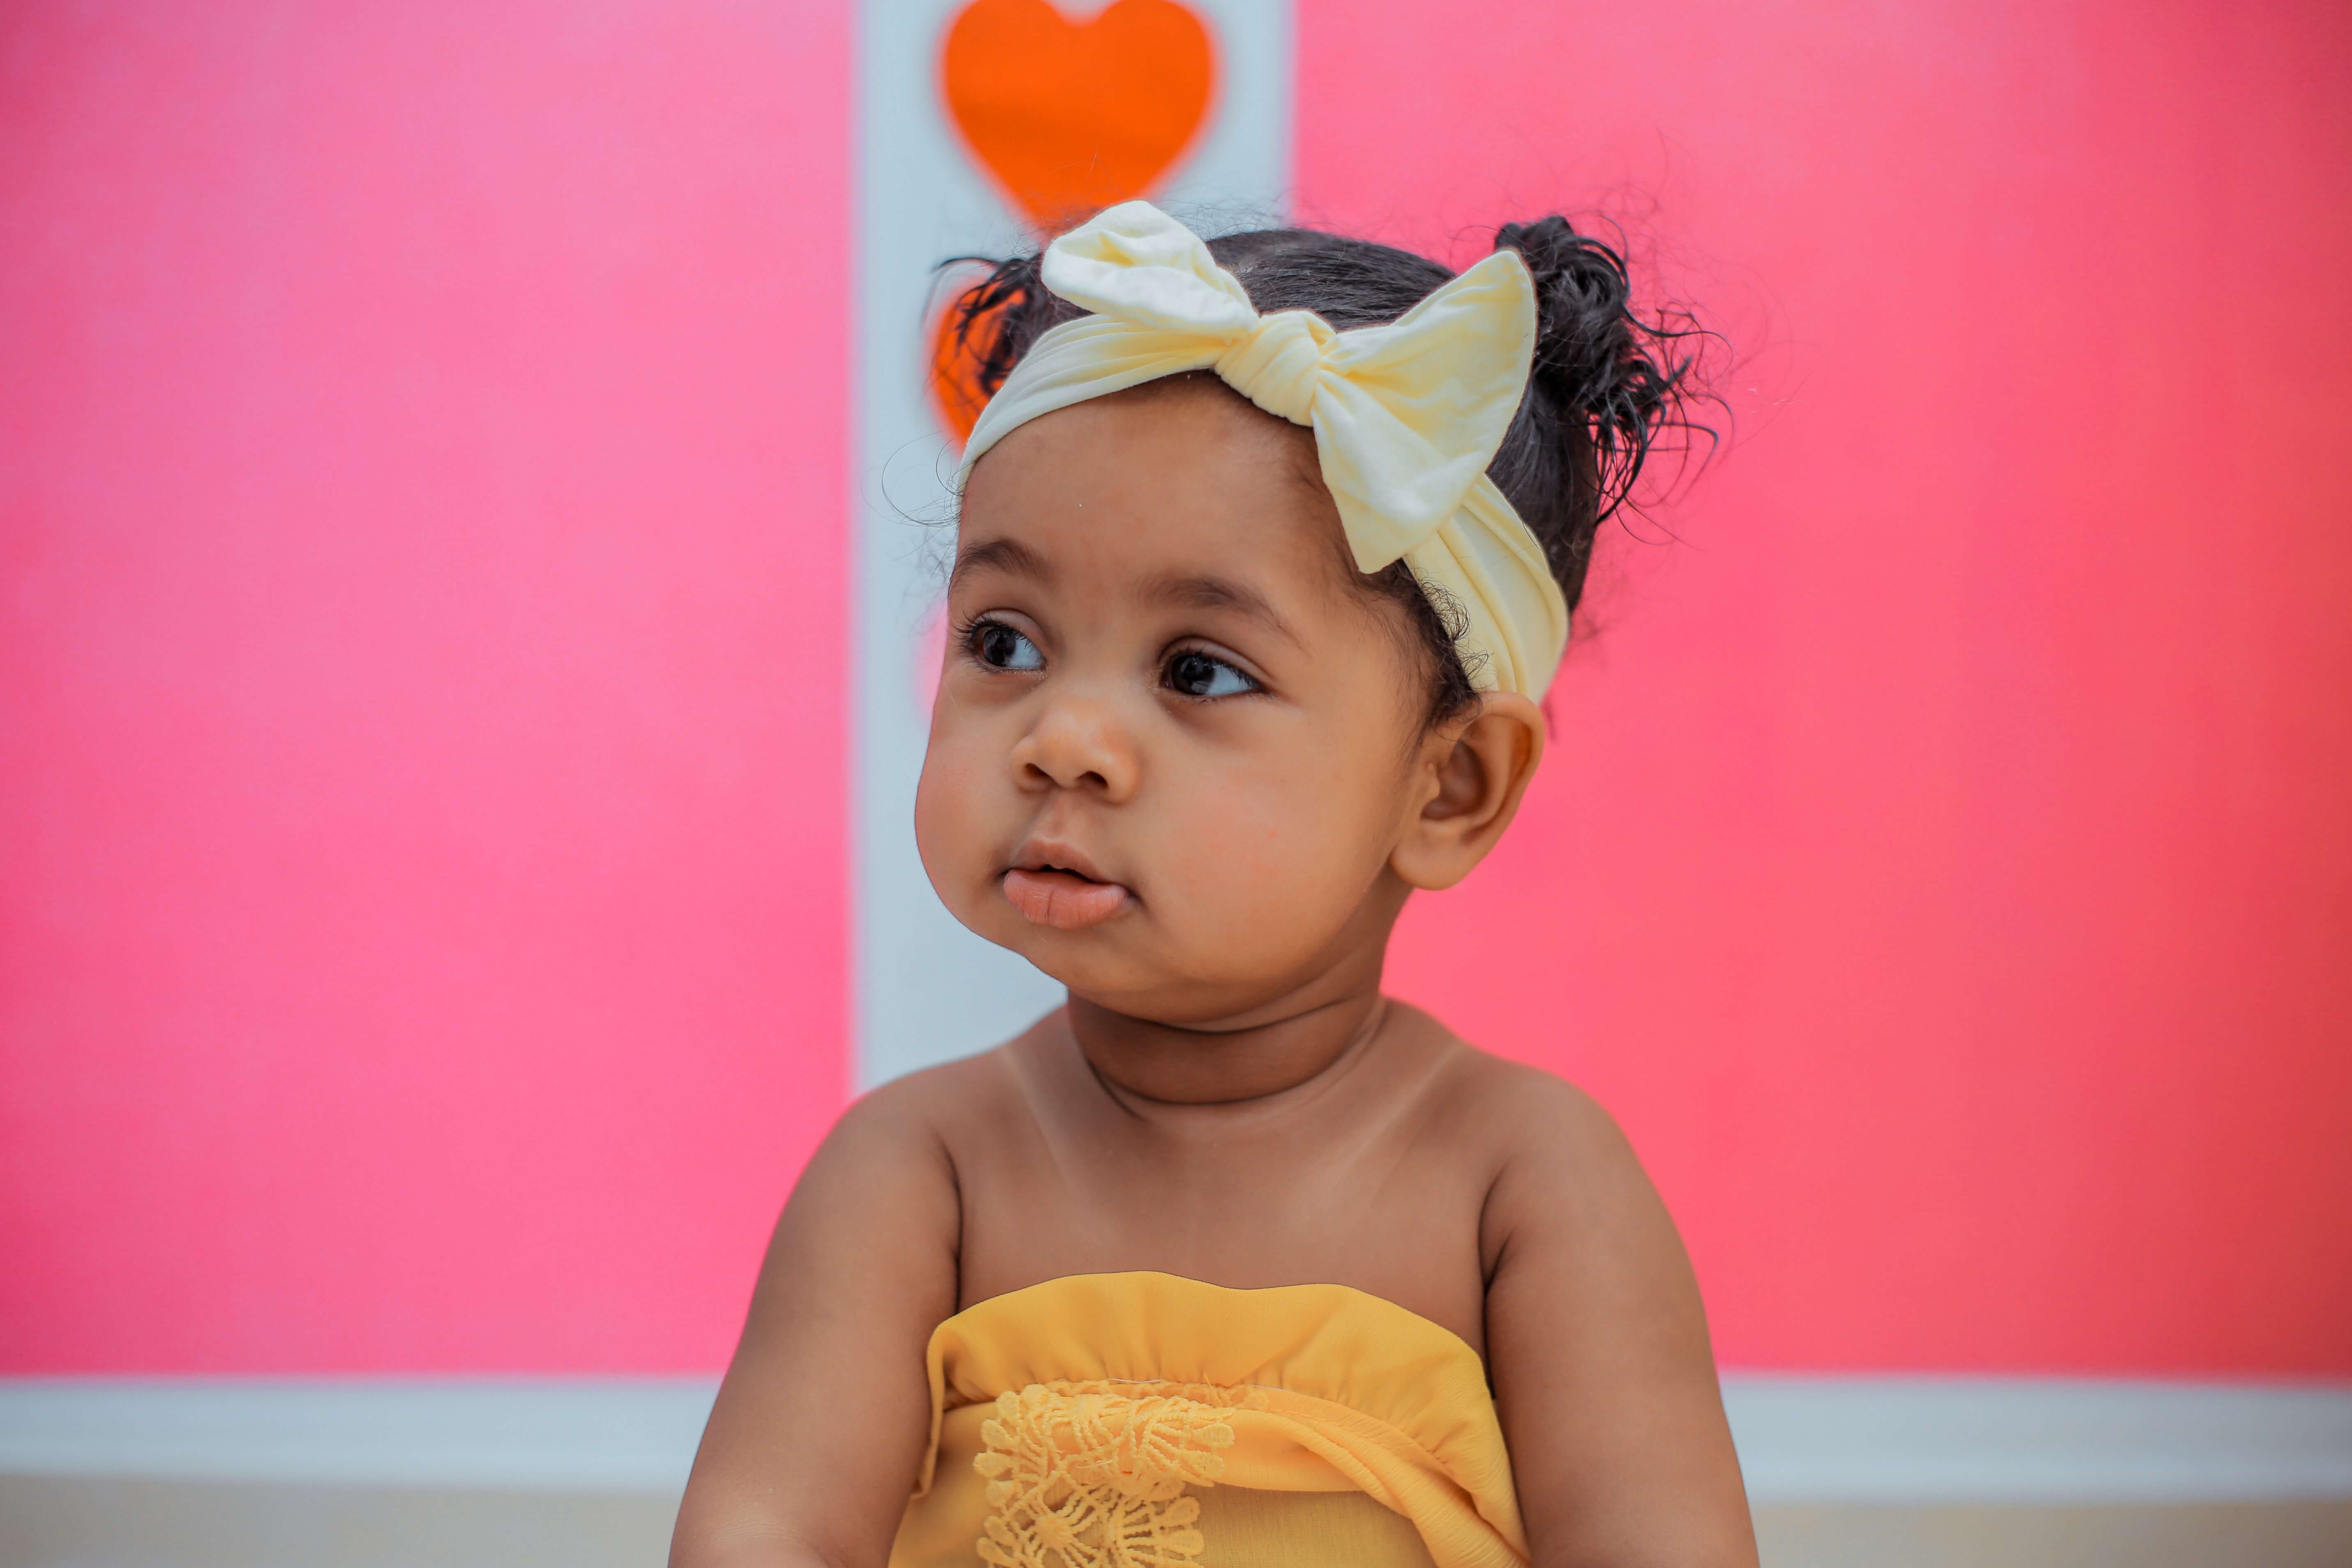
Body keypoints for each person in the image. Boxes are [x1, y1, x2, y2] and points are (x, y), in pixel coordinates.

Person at [671, 200, 1755, 1568]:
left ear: (1450, 784)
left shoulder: (1524, 1186)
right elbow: (764, 1533)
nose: (1062, 737)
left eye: (1200, 671)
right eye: (1005, 642)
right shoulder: (918, 1178)